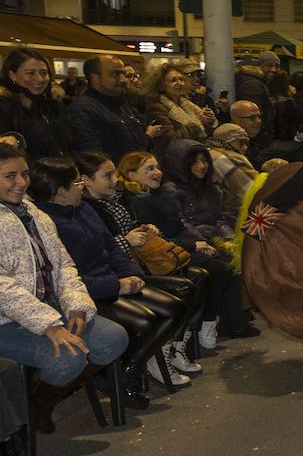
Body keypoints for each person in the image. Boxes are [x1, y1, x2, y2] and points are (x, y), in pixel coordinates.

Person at [29, 156, 197, 396]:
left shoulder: (82, 208)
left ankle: (134, 367)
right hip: (91, 293)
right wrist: (115, 285)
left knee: (176, 305)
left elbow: (111, 246)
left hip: (114, 280)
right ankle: (128, 373)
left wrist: (131, 273)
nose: (83, 186)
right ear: (60, 192)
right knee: (147, 321)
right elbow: (67, 278)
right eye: (77, 183)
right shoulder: (50, 224)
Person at [0, 144, 129, 434]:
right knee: (69, 357)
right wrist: (50, 326)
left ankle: (38, 403)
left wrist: (75, 306)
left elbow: (64, 266)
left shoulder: (34, 213)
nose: (21, 182)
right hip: (6, 320)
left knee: (112, 339)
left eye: (24, 174)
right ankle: (30, 411)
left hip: (47, 307)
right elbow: (3, 289)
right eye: (10, 176)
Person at [117, 152, 256, 347]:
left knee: (227, 262)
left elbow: (181, 226)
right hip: (163, 255)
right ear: (131, 175)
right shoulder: (138, 202)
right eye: (149, 169)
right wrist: (194, 245)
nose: (157, 172)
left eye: (157, 167)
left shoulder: (161, 194)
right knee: (217, 269)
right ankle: (207, 322)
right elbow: (156, 241)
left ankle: (233, 324)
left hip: (179, 245)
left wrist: (202, 243)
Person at [68, 55, 157, 159]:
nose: (123, 79)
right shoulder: (82, 110)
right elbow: (92, 158)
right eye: (116, 74)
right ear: (95, 78)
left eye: (124, 74)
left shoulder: (122, 103)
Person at [0, 47, 70, 161]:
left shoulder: (54, 106)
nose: (39, 79)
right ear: (12, 75)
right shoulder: (5, 107)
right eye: (30, 73)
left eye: (44, 73)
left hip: (61, 173)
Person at [143, 59, 218, 151]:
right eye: (173, 80)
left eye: (181, 79)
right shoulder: (157, 107)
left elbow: (205, 133)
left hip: (196, 150)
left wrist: (207, 121)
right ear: (162, 85)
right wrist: (195, 123)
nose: (179, 83)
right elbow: (171, 139)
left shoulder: (187, 104)